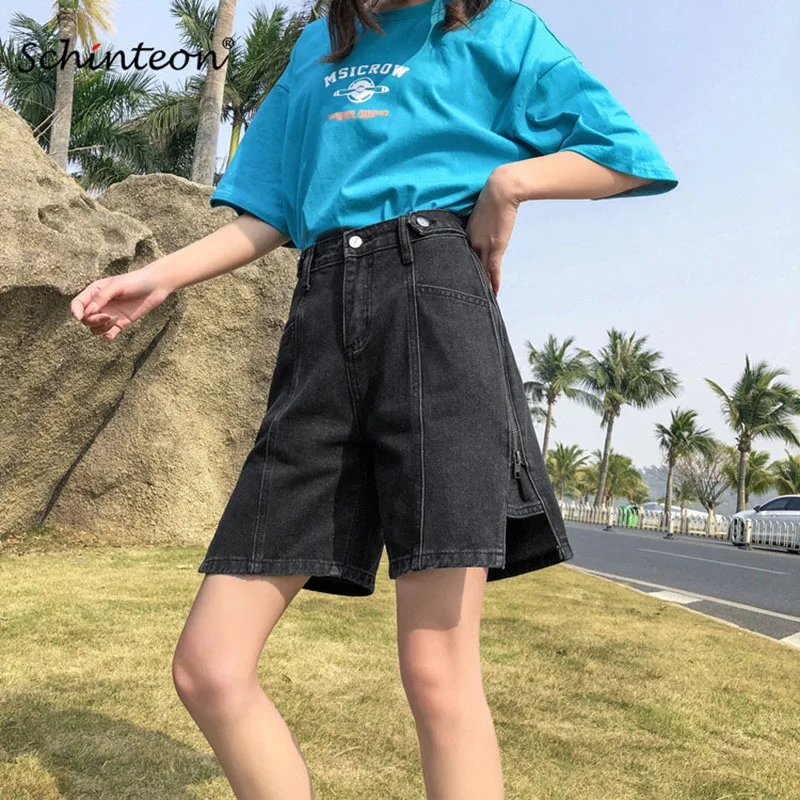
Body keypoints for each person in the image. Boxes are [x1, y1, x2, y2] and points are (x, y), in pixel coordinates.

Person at [70, 0, 678, 796]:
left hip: (436, 311)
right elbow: (271, 211)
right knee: (209, 667)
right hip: (320, 326)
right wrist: (157, 277)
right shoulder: (317, 47)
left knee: (437, 671)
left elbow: (626, 154)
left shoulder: (494, 26)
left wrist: (512, 182)